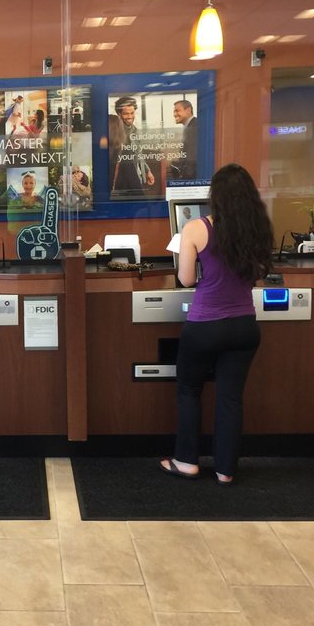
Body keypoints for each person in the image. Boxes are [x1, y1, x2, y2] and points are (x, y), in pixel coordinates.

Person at [159, 164, 274, 484]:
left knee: (189, 390)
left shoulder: (197, 228)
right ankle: (226, 471)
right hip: (244, 327)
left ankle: (186, 462)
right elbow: (258, 274)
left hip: (205, 326)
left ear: (216, 196)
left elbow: (185, 279)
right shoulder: (258, 229)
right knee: (230, 398)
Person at [109, 95, 155, 196]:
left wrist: (147, 171)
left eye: (132, 113)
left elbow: (139, 154)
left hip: (135, 177)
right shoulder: (115, 132)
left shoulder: (135, 130)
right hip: (122, 180)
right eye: (126, 113)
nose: (130, 116)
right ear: (119, 114)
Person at [173, 99, 198, 179]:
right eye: (174, 111)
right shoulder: (189, 126)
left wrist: (186, 178)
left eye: (177, 111)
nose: (174, 114)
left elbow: (191, 156)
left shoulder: (194, 126)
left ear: (188, 110)